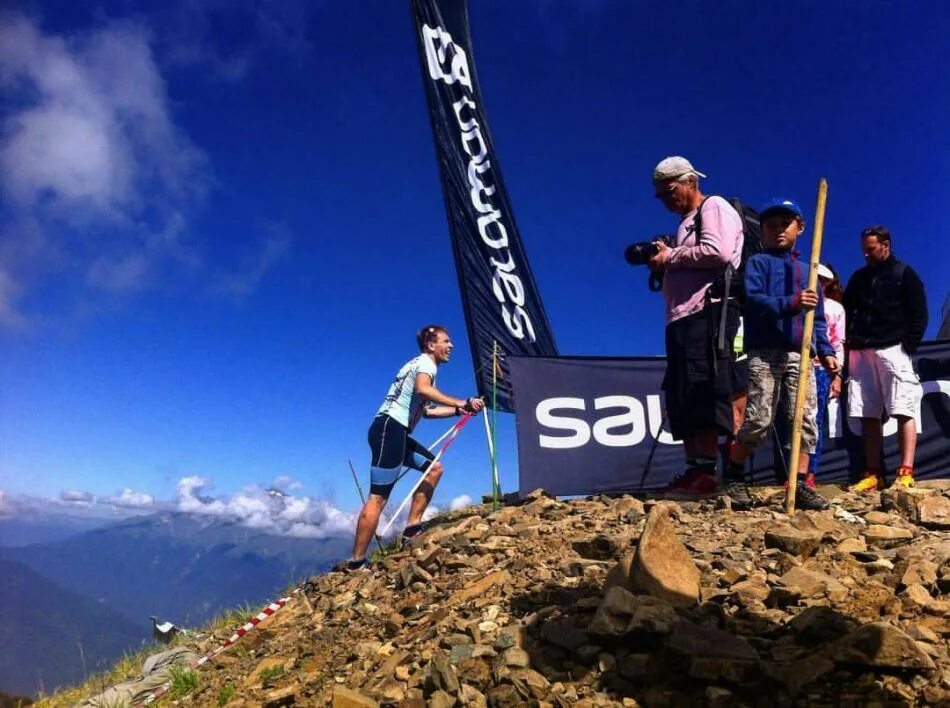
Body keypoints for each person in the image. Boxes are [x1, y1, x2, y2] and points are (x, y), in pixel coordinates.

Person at [723, 199, 840, 511]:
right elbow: (755, 300)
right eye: (770, 226)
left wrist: (826, 351)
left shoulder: (809, 271)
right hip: (764, 351)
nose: (777, 231)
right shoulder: (758, 264)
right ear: (761, 230)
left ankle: (800, 482)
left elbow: (816, 319)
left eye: (784, 225)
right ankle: (733, 475)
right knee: (759, 419)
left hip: (800, 355)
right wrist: (791, 302)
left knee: (804, 420)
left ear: (799, 228)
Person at [345, 325, 484, 570]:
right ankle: (356, 562)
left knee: (435, 468)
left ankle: (411, 529)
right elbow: (423, 389)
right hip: (391, 430)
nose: (451, 346)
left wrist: (459, 410)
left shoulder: (416, 365)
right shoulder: (427, 365)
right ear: (432, 345)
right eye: (446, 341)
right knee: (378, 499)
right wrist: (463, 400)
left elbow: (426, 411)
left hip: (392, 430)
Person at [648, 156, 743, 499]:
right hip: (681, 317)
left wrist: (670, 258)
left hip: (707, 312)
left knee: (702, 385)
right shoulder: (685, 223)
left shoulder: (714, 206)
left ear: (690, 182)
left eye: (669, 190)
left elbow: (717, 252)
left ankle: (706, 472)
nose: (665, 199)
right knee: (683, 390)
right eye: (659, 195)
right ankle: (694, 470)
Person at [844, 226, 928, 492]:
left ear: (886, 245)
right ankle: (873, 473)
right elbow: (847, 309)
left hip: (893, 348)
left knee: (903, 407)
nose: (866, 255)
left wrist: (908, 345)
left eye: (871, 249)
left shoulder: (904, 273)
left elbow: (919, 312)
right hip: (862, 351)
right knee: (867, 412)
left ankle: (905, 471)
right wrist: (851, 340)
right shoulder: (859, 278)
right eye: (864, 251)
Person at [808, 262, 846, 476]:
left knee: (815, 420)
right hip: (794, 365)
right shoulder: (796, 301)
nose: (818, 284)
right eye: (816, 279)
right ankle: (789, 471)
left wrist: (837, 376)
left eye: (823, 281)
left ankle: (809, 473)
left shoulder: (834, 308)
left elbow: (837, 342)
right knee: (790, 419)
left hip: (820, 370)